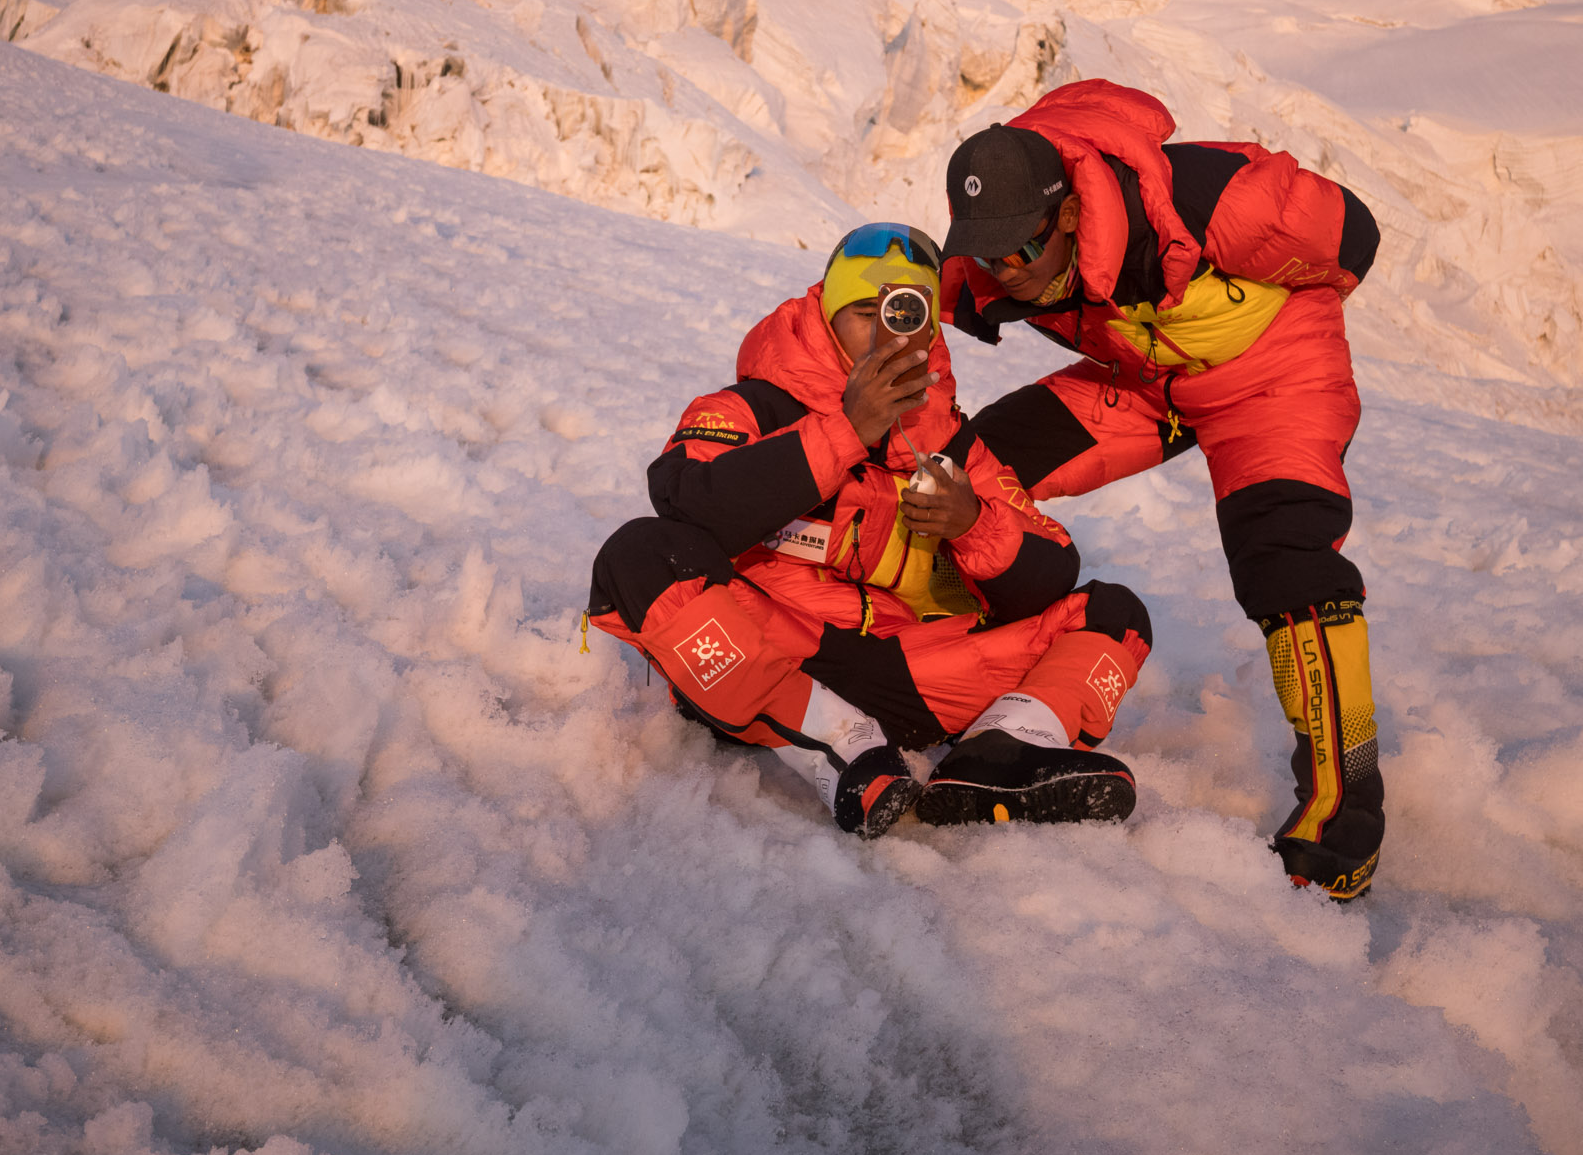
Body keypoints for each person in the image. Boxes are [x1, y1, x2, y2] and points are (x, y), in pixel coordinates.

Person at [935, 80, 1386, 899]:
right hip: (1144, 384)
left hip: (1267, 373)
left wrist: (1244, 314)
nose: (1002, 271)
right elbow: (887, 311)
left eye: (1017, 252)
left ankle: (1342, 811)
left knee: (1284, 560)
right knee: (975, 466)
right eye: (985, 251)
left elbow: (1352, 237)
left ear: (1068, 214)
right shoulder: (992, 261)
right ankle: (949, 672)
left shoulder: (1205, 200)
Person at [585, 222, 1156, 837]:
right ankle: (837, 746)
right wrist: (844, 431)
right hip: (777, 657)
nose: (891, 335)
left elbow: (1051, 569)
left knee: (1112, 615)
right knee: (640, 555)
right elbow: (688, 503)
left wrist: (973, 524)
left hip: (911, 673)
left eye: (910, 315)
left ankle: (999, 751)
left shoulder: (950, 440)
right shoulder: (752, 405)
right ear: (827, 316)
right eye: (867, 311)